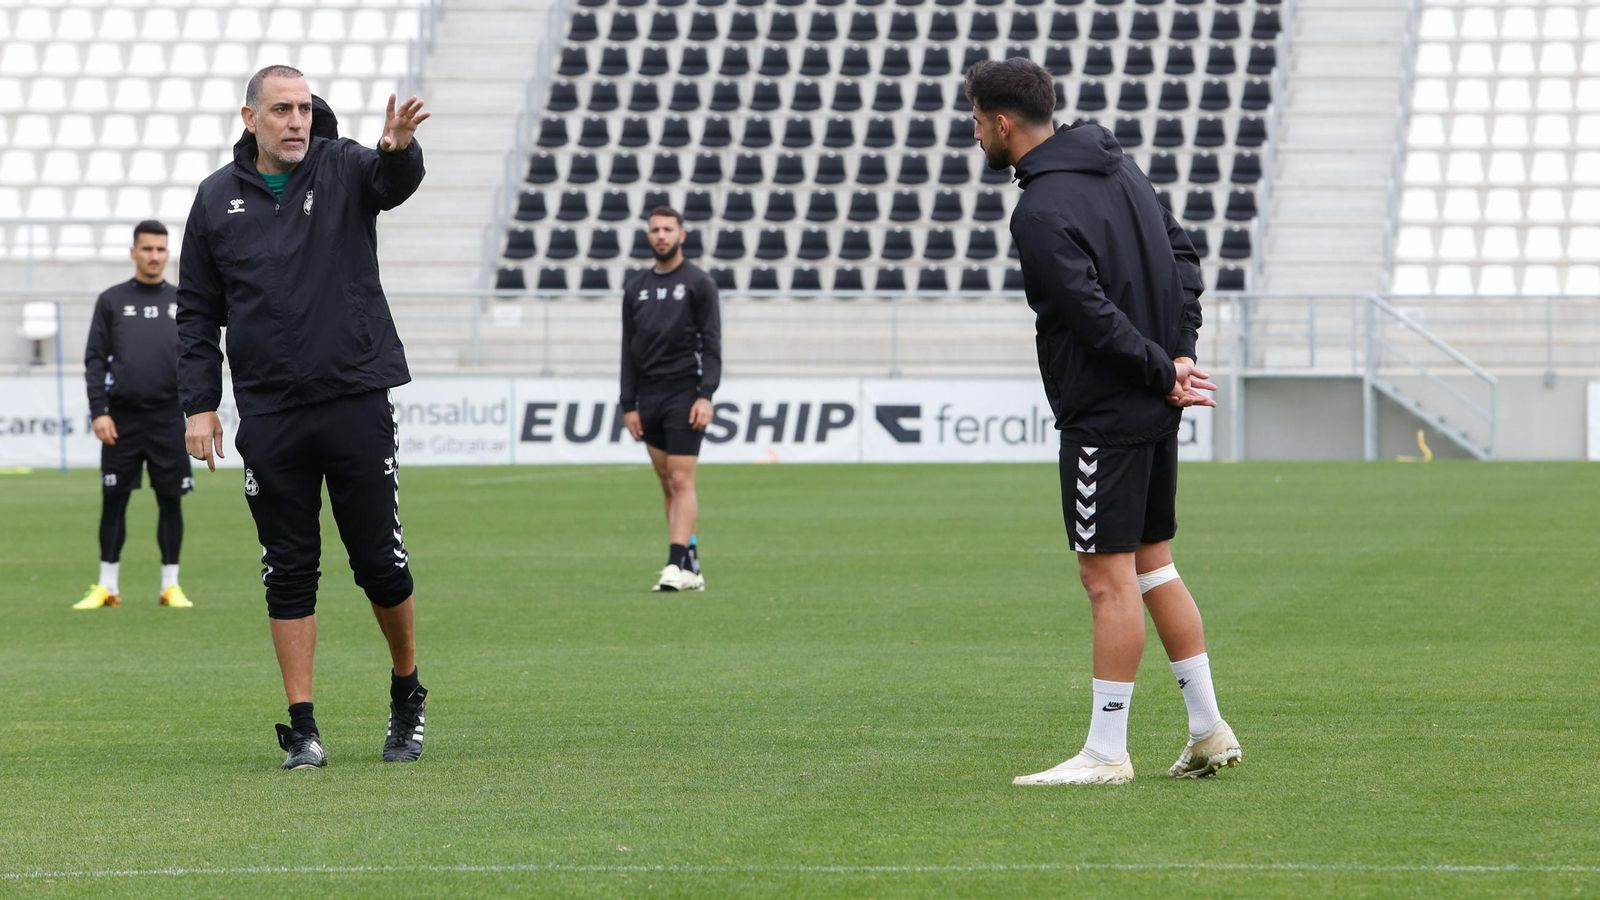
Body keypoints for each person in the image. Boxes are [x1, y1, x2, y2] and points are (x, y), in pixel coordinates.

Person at [963, 58, 1241, 786]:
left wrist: (1160, 365)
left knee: (1106, 578)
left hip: (1105, 413)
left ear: (1000, 122)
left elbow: (1089, 316)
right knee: (1155, 566)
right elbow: (1183, 258)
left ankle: (1107, 753)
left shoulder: (1039, 210)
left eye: (975, 120)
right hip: (1150, 405)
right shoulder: (1121, 169)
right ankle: (1209, 729)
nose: (974, 133)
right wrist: (1178, 355)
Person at [177, 65, 431, 771]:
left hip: (354, 397)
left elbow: (393, 185)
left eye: (303, 109)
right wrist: (199, 403)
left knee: (379, 563)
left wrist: (399, 150)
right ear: (250, 116)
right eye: (281, 110)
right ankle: (303, 725)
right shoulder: (215, 200)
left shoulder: (348, 165)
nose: (297, 121)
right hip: (270, 413)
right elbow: (198, 312)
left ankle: (407, 690)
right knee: (288, 570)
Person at [74, 220, 194, 611]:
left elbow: (197, 358)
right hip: (121, 419)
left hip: (168, 417)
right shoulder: (111, 300)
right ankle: (107, 586)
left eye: (161, 249)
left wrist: (195, 411)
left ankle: (170, 586)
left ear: (168, 253)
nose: (154, 256)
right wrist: (99, 412)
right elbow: (94, 359)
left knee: (170, 501)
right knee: (114, 501)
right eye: (147, 249)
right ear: (133, 252)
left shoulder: (183, 300)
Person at [619, 207, 722, 592]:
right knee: (666, 482)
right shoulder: (636, 287)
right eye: (655, 230)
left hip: (685, 392)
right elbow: (628, 350)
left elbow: (712, 343)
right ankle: (691, 564)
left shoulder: (699, 283)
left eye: (667, 229)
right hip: (649, 396)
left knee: (681, 479)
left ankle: (675, 563)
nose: (661, 235)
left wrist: (705, 395)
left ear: (682, 233)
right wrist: (628, 403)